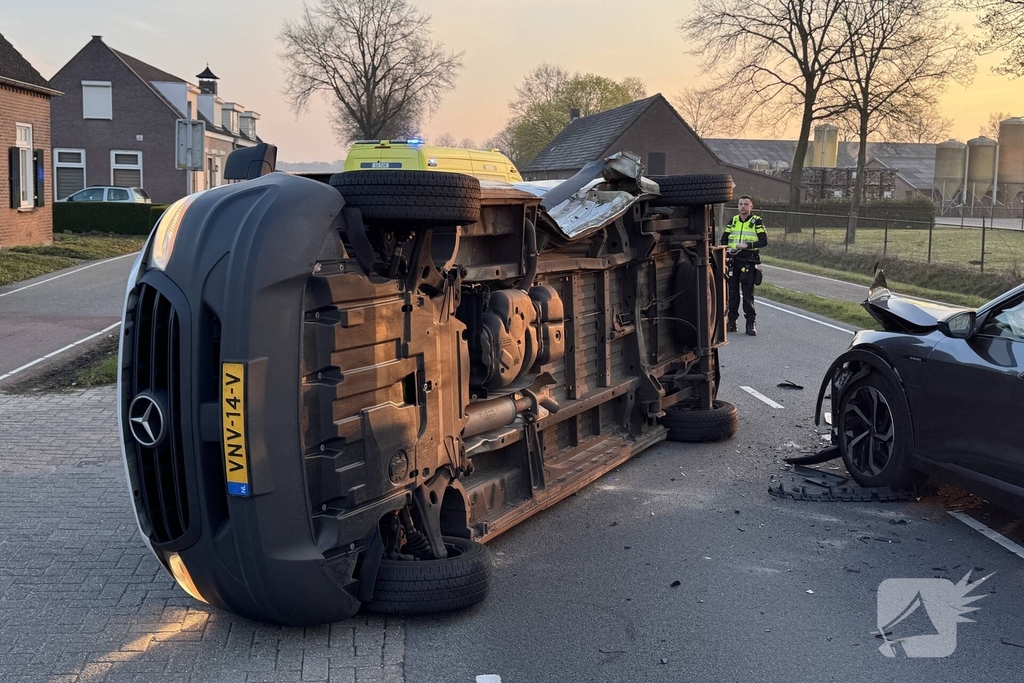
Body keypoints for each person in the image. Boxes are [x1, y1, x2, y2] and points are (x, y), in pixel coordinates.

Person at [721, 195, 768, 336]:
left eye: (746, 204)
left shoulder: (756, 221)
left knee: (748, 295)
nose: (743, 206)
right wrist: (727, 249)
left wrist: (747, 245)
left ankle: (750, 324)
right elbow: (724, 238)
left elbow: (763, 241)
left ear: (751, 206)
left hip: (748, 260)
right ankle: (732, 322)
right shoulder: (734, 220)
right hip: (734, 260)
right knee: (732, 293)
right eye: (741, 204)